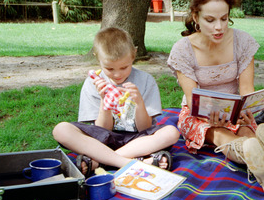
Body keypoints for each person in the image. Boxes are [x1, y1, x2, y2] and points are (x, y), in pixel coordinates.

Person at [167, 0, 264, 200]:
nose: (219, 27)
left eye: (224, 18)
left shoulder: (242, 41)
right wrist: (212, 116)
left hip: (236, 111)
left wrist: (248, 110)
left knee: (245, 129)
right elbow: (193, 99)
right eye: (210, 20)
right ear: (195, 17)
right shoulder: (183, 49)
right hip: (199, 115)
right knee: (216, 132)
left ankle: (262, 163)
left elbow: (247, 89)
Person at [53, 27, 180, 176]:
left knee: (171, 132)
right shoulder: (93, 83)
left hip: (137, 140)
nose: (117, 74)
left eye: (124, 67)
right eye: (109, 68)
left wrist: (139, 103)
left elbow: (144, 128)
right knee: (61, 130)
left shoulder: (146, 81)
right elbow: (102, 129)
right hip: (103, 140)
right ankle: (130, 162)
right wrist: (104, 101)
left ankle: (100, 161)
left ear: (134, 55)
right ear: (97, 58)